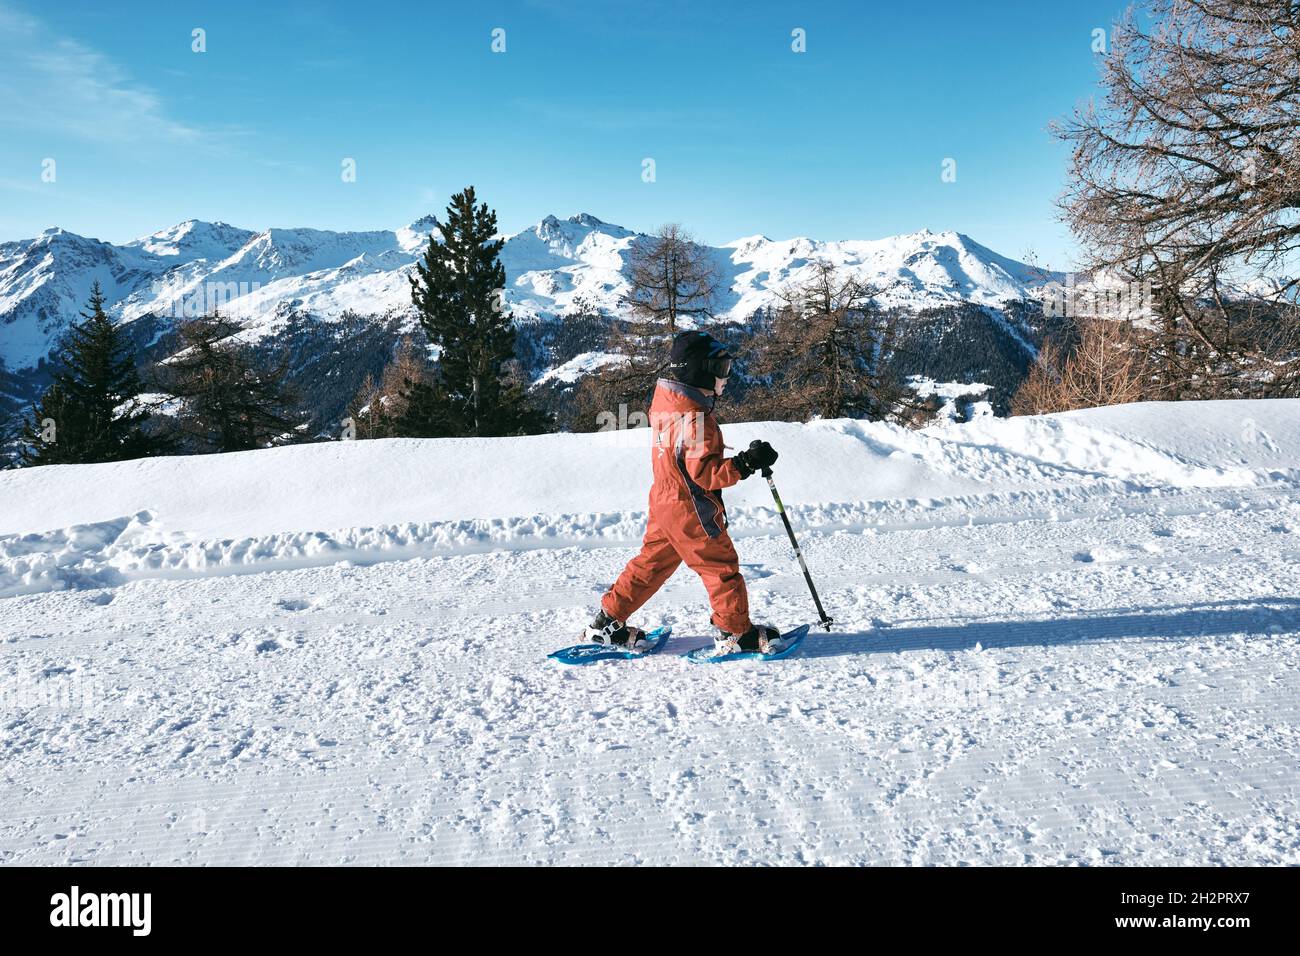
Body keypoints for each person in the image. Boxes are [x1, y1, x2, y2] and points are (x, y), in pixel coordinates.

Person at [583, 329, 781, 654]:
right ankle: (735, 633)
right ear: (699, 371)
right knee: (721, 568)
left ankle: (606, 624)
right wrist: (746, 463)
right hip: (692, 510)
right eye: (722, 370)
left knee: (650, 566)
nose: (726, 378)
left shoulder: (666, 407)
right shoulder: (698, 418)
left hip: (664, 502)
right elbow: (705, 474)